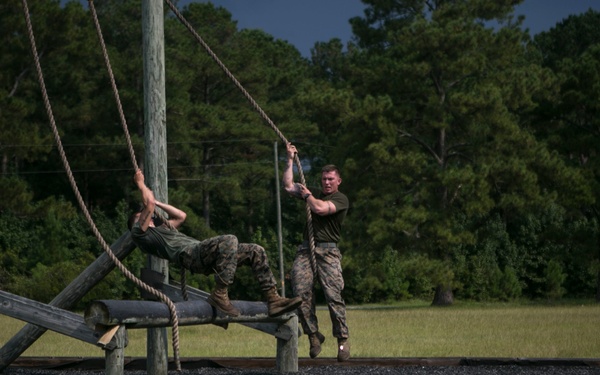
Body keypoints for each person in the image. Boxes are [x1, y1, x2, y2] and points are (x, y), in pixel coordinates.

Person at [128, 169, 301, 318]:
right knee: (230, 240)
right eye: (142, 217)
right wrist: (141, 184)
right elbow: (148, 204)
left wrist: (157, 203)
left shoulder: (163, 229)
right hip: (190, 255)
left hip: (202, 253)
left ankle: (273, 299)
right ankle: (219, 294)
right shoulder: (140, 234)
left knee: (256, 250)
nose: (148, 217)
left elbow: (181, 216)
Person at [282, 143, 350, 362]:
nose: (327, 182)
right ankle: (313, 335)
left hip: (328, 252)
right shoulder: (311, 194)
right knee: (300, 293)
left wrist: (307, 196)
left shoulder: (340, 199)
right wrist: (290, 159)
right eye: (324, 179)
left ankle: (342, 340)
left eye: (331, 179)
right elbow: (288, 186)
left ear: (338, 181)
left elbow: (320, 208)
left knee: (333, 296)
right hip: (306, 250)